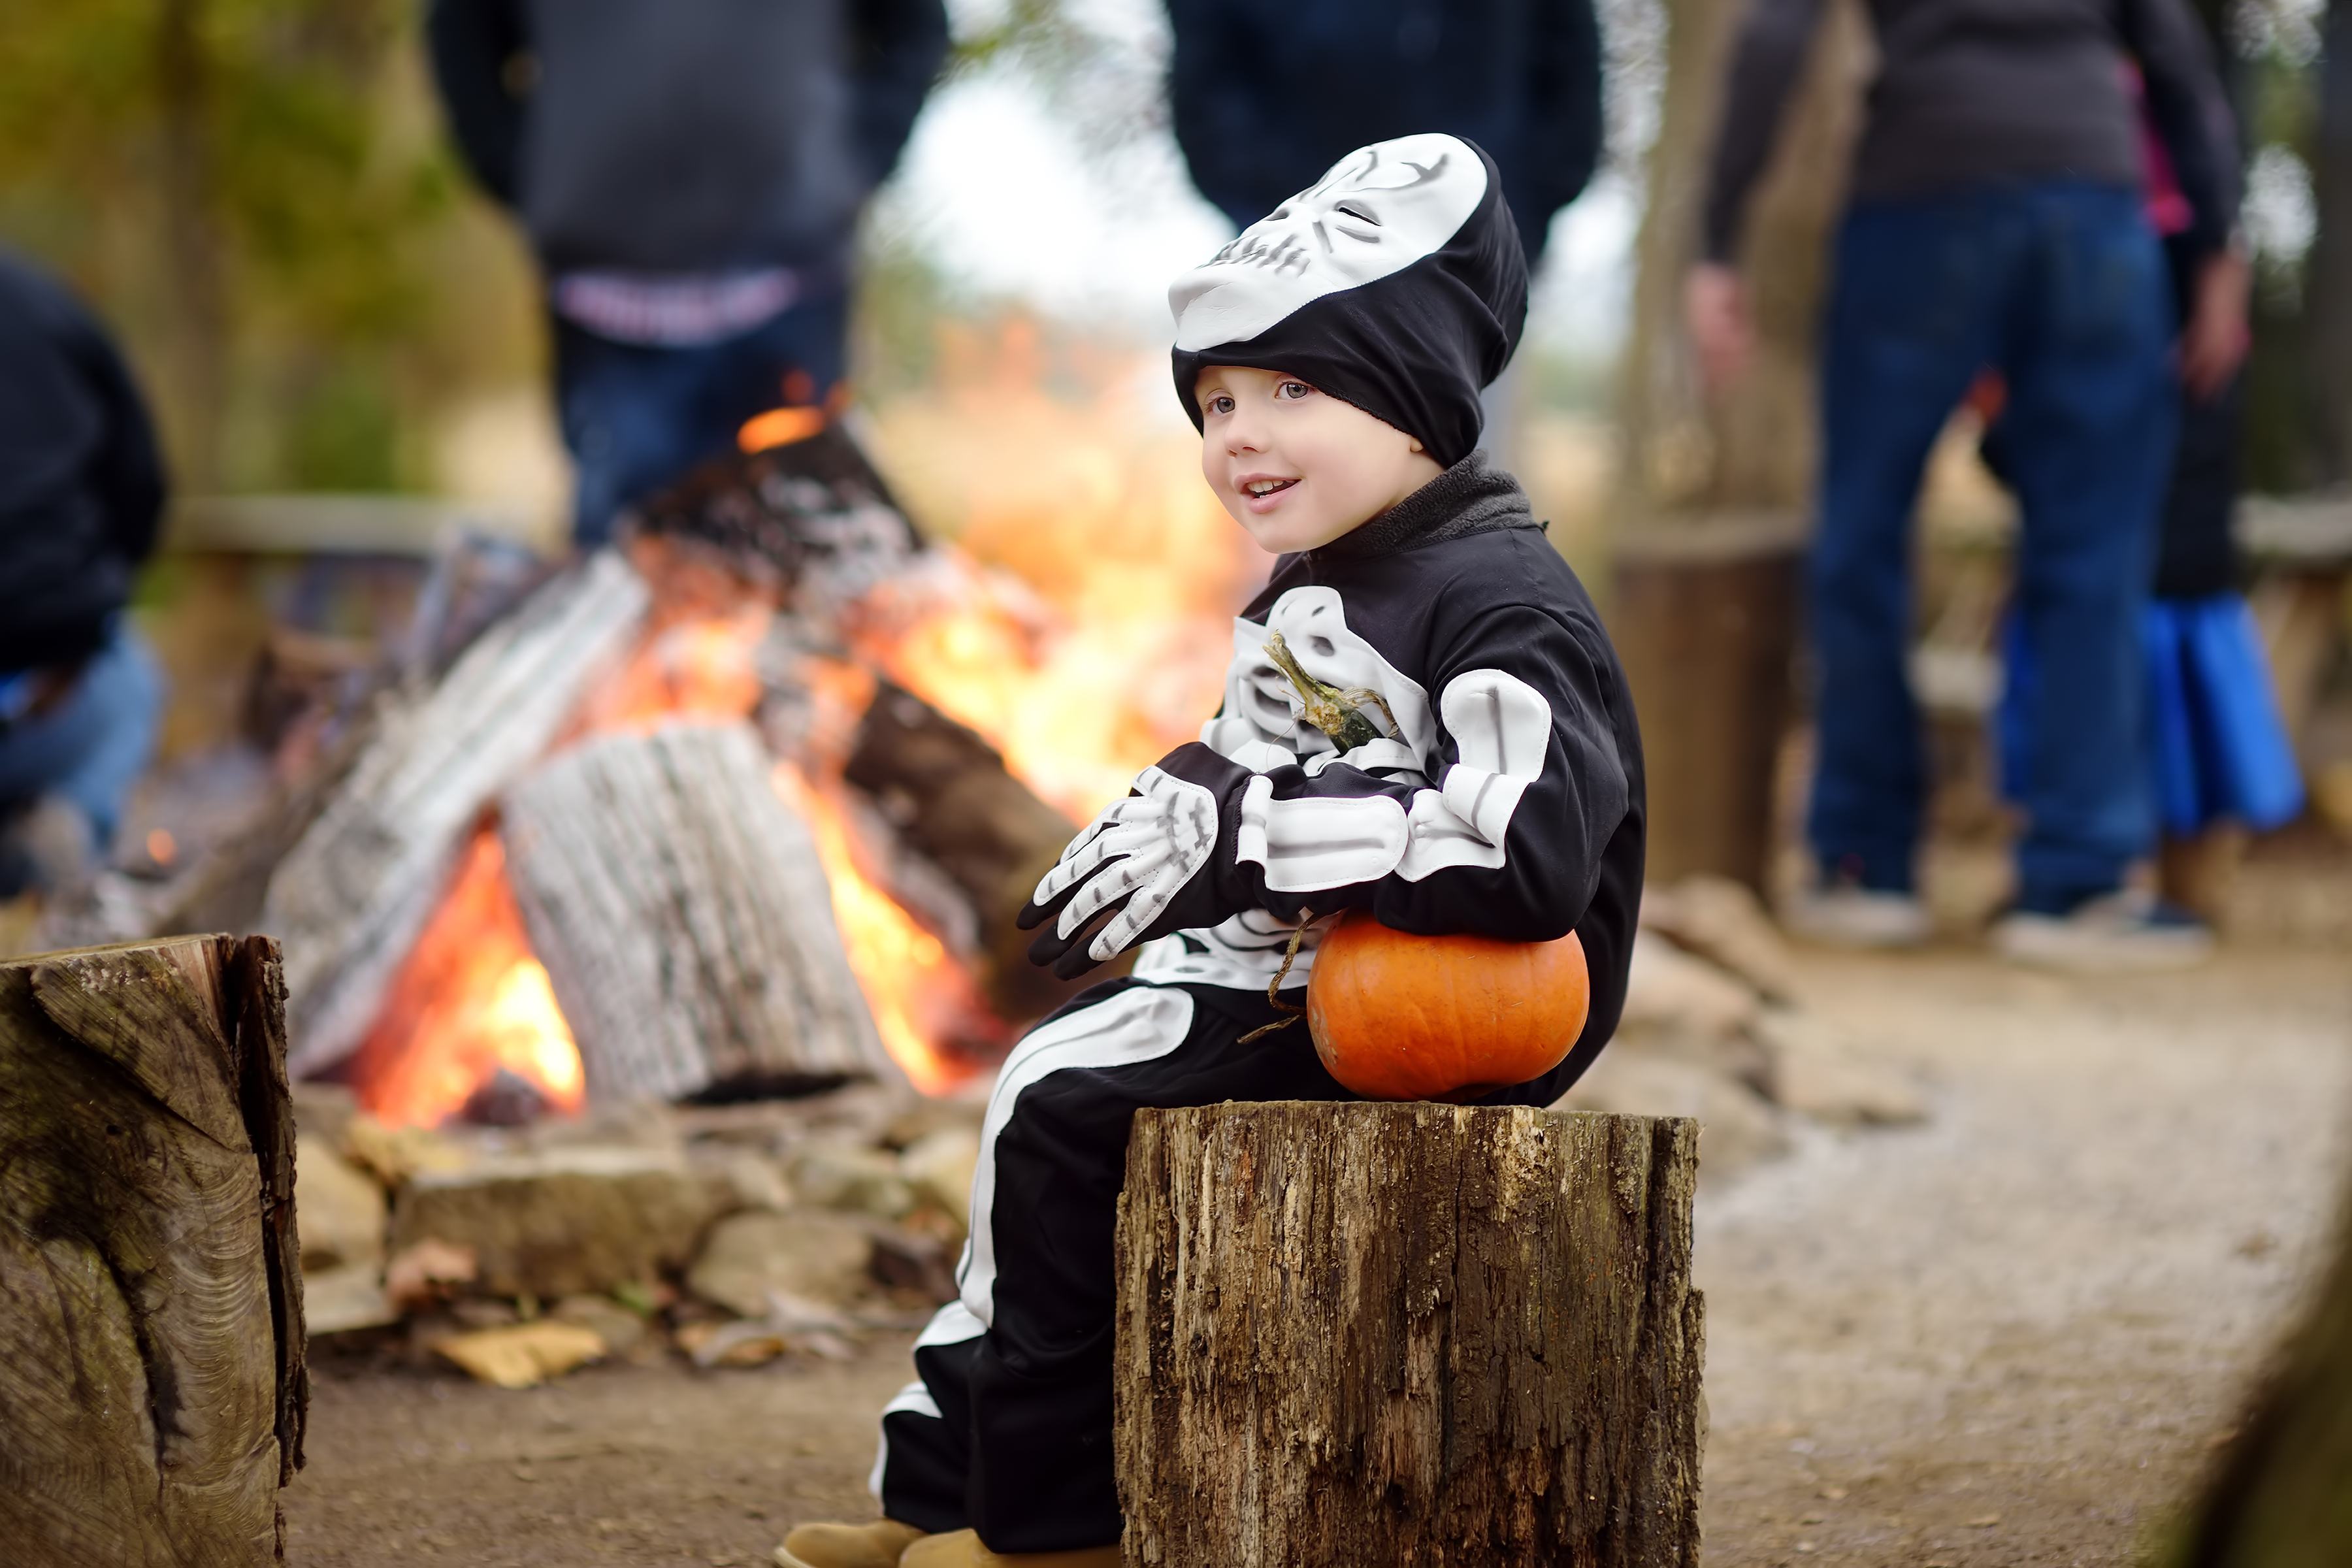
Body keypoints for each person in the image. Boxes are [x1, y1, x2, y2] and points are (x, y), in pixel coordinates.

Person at [776, 135, 1645, 1568]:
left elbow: (1528, 850)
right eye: (1218, 398)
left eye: (1293, 389)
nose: (1239, 431)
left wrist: (1245, 833)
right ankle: (940, 1490)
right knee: (1042, 1082)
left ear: (1418, 393)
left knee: (1068, 1108)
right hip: (1319, 957)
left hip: (1467, 997)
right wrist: (1185, 806)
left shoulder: (1503, 601)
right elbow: (1258, 759)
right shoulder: (1325, 581)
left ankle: (1047, 1537)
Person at [1686, 0, 2240, 964]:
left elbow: (1777, 34)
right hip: (2093, 206)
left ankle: (1864, 863)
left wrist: (1719, 239)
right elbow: (2178, 59)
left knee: (1864, 528)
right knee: (2094, 549)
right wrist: (2219, 249)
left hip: (1919, 200)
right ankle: (2079, 882)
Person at [425, 0, 949, 547]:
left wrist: (850, 163)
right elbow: (461, 30)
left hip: (790, 295)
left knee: (811, 562)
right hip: (609, 314)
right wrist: (528, 175)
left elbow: (912, 22)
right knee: (628, 574)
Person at [1164, 0, 1604, 269]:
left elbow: (1571, 55)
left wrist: (1525, 197)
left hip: (1479, 240)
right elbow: (1208, 71)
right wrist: (1270, 204)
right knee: (1289, 411)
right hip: (1289, 240)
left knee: (1457, 417)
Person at [0, 248, 167, 902]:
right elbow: (142, 490)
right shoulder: (50, 306)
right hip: (58, 690)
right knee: (133, 680)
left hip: (47, 670)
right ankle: (74, 814)